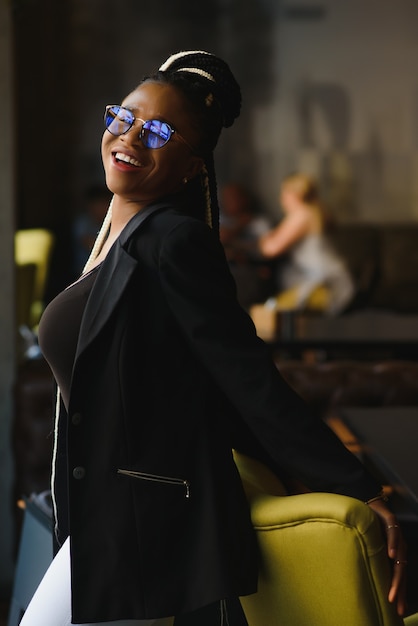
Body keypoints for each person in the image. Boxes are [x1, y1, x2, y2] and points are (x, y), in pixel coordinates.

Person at [22, 50, 406, 626]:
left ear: (192, 168)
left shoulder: (173, 242)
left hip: (141, 529)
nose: (130, 137)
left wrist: (360, 485)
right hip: (105, 514)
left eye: (158, 131)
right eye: (123, 118)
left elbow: (246, 378)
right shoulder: (113, 240)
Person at [259, 172, 355, 315]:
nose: (282, 199)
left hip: (325, 285)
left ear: (296, 194)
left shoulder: (302, 214)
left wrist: (262, 237)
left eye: (285, 193)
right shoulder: (317, 210)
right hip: (334, 280)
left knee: (269, 313)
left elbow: (270, 249)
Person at [219, 182, 272, 308]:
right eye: (227, 198)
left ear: (245, 199)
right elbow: (220, 237)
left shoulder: (259, 223)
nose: (230, 202)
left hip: (253, 271)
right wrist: (240, 225)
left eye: (235, 198)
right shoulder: (221, 220)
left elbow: (267, 250)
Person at [71, 185, 112, 278]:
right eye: (101, 203)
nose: (105, 208)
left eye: (107, 203)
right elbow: (92, 245)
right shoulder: (83, 223)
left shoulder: (111, 223)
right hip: (84, 273)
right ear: (90, 205)